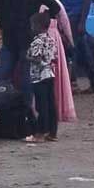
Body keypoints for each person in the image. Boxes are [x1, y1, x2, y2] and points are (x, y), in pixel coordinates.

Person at [30, 0, 77, 123]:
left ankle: (39, 111)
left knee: (39, 76)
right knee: (54, 74)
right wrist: (70, 41)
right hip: (54, 40)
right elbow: (64, 21)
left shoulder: (29, 1)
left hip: (36, 40)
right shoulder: (53, 0)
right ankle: (57, 110)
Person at [27, 11, 58, 143]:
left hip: (39, 76)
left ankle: (40, 132)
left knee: (41, 105)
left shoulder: (37, 41)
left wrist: (27, 57)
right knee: (51, 104)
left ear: (38, 26)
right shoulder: (51, 40)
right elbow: (54, 57)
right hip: (50, 74)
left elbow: (36, 57)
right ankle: (52, 132)